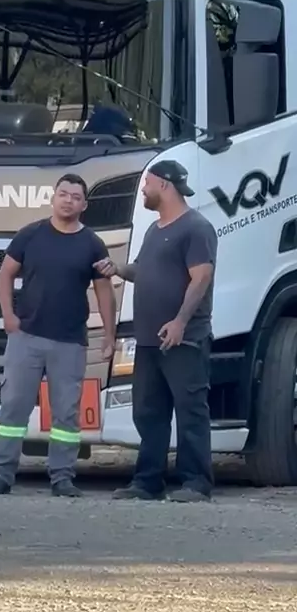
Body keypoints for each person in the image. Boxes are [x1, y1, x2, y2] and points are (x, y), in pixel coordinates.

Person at [0, 173, 116, 497]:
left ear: (84, 205)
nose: (68, 201)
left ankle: (62, 478)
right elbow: (5, 274)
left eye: (75, 197)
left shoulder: (92, 244)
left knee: (66, 412)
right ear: (54, 198)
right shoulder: (30, 235)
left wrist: (109, 335)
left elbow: (104, 292)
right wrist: (8, 316)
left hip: (69, 342)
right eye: (63, 194)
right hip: (25, 337)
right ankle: (2, 475)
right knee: (14, 407)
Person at [94, 160, 217, 503]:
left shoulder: (196, 228)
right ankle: (147, 482)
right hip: (148, 339)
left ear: (164, 184)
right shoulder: (154, 229)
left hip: (184, 338)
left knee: (190, 411)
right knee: (148, 412)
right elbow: (144, 270)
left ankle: (196, 482)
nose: (143, 190)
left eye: (147, 183)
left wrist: (180, 321)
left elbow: (201, 277)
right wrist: (118, 268)